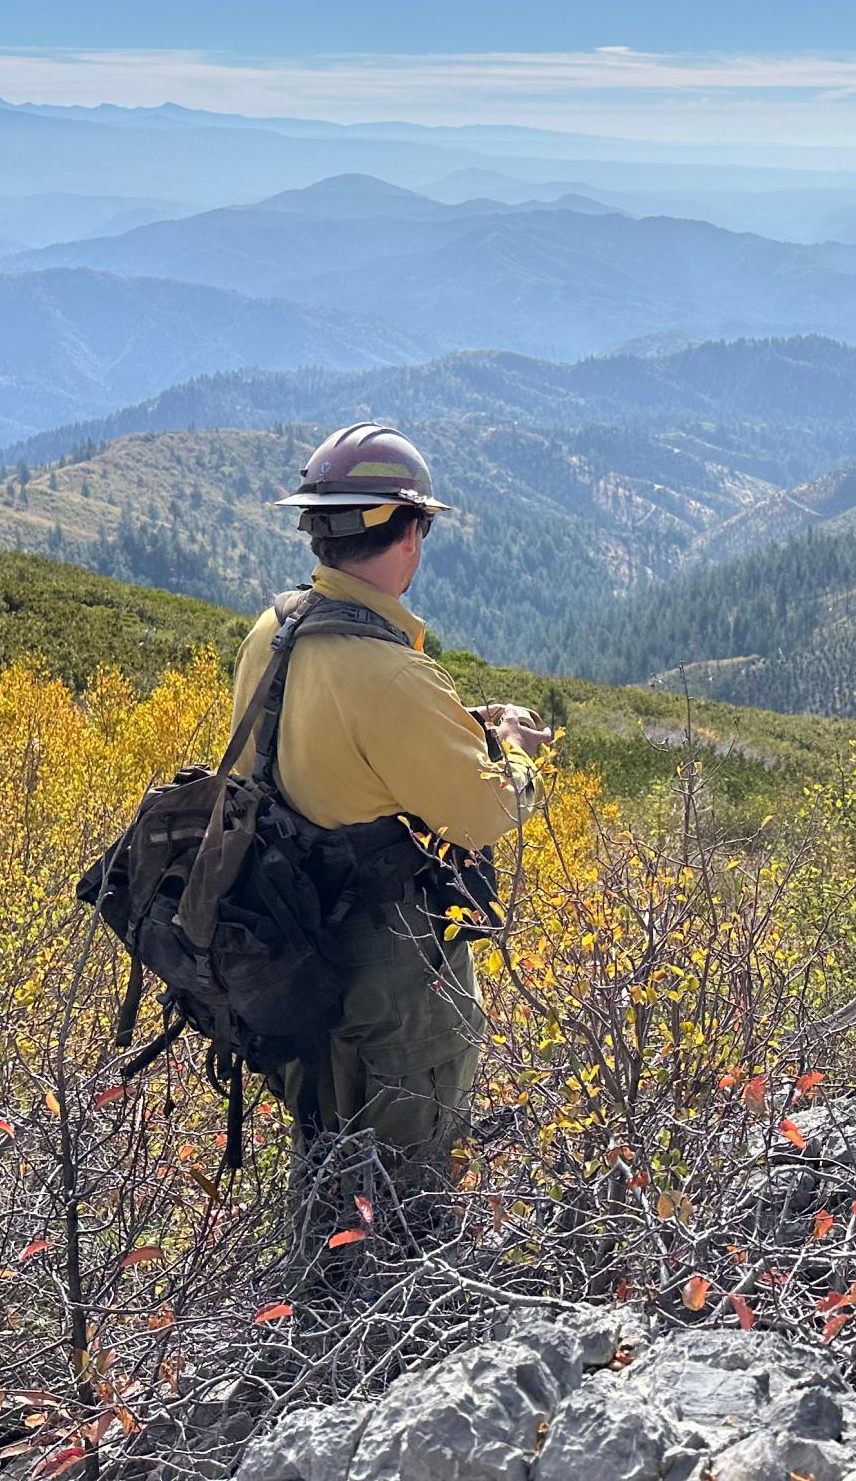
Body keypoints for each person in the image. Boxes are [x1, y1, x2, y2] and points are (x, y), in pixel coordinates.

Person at [237, 421, 549, 1198]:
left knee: (328, 1151)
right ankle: (397, 1299)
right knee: (408, 1168)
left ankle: (318, 1296)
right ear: (410, 533)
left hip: (294, 941)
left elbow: (310, 753)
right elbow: (482, 817)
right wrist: (514, 752)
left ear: (318, 530)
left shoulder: (274, 630)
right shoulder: (391, 675)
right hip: (387, 964)